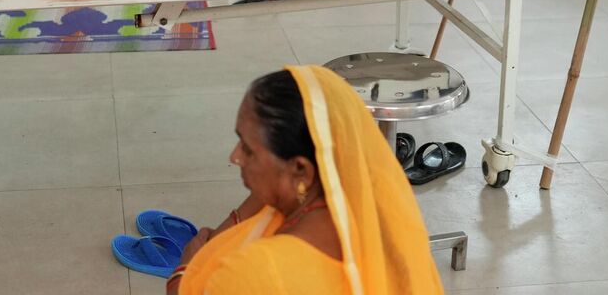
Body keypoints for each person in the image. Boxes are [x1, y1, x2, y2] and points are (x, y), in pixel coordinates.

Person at [164, 67, 445, 294]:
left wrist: (183, 271)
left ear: (301, 169)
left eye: (248, 149)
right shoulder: (382, 222)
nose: (235, 156)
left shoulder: (257, 272)